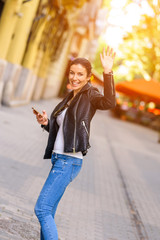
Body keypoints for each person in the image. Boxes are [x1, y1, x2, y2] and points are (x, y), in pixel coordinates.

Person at [33, 46, 116, 240]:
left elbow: (110, 103)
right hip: (59, 159)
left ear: (88, 78)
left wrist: (108, 72)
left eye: (80, 74)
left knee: (42, 209)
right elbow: (64, 129)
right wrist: (46, 123)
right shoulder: (71, 96)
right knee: (49, 211)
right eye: (72, 73)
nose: (75, 77)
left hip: (68, 161)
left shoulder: (90, 95)